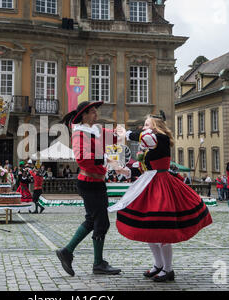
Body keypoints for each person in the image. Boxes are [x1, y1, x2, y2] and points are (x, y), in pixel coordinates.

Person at [110, 111, 212, 282]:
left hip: (161, 185)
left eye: (147, 124)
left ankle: (168, 269)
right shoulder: (150, 143)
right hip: (149, 183)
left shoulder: (161, 138)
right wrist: (123, 169)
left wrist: (125, 133)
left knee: (162, 228)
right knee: (149, 228)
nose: (144, 127)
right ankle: (158, 265)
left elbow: (146, 137)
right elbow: (143, 167)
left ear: (156, 127)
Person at [56, 101, 122, 276]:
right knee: (101, 222)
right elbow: (82, 158)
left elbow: (114, 136)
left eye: (96, 112)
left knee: (92, 221)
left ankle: (67, 252)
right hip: (89, 183)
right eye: (92, 112)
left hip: (96, 183)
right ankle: (97, 263)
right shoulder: (79, 134)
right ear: (84, 116)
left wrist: (134, 134)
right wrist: (107, 160)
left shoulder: (97, 130)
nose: (96, 115)